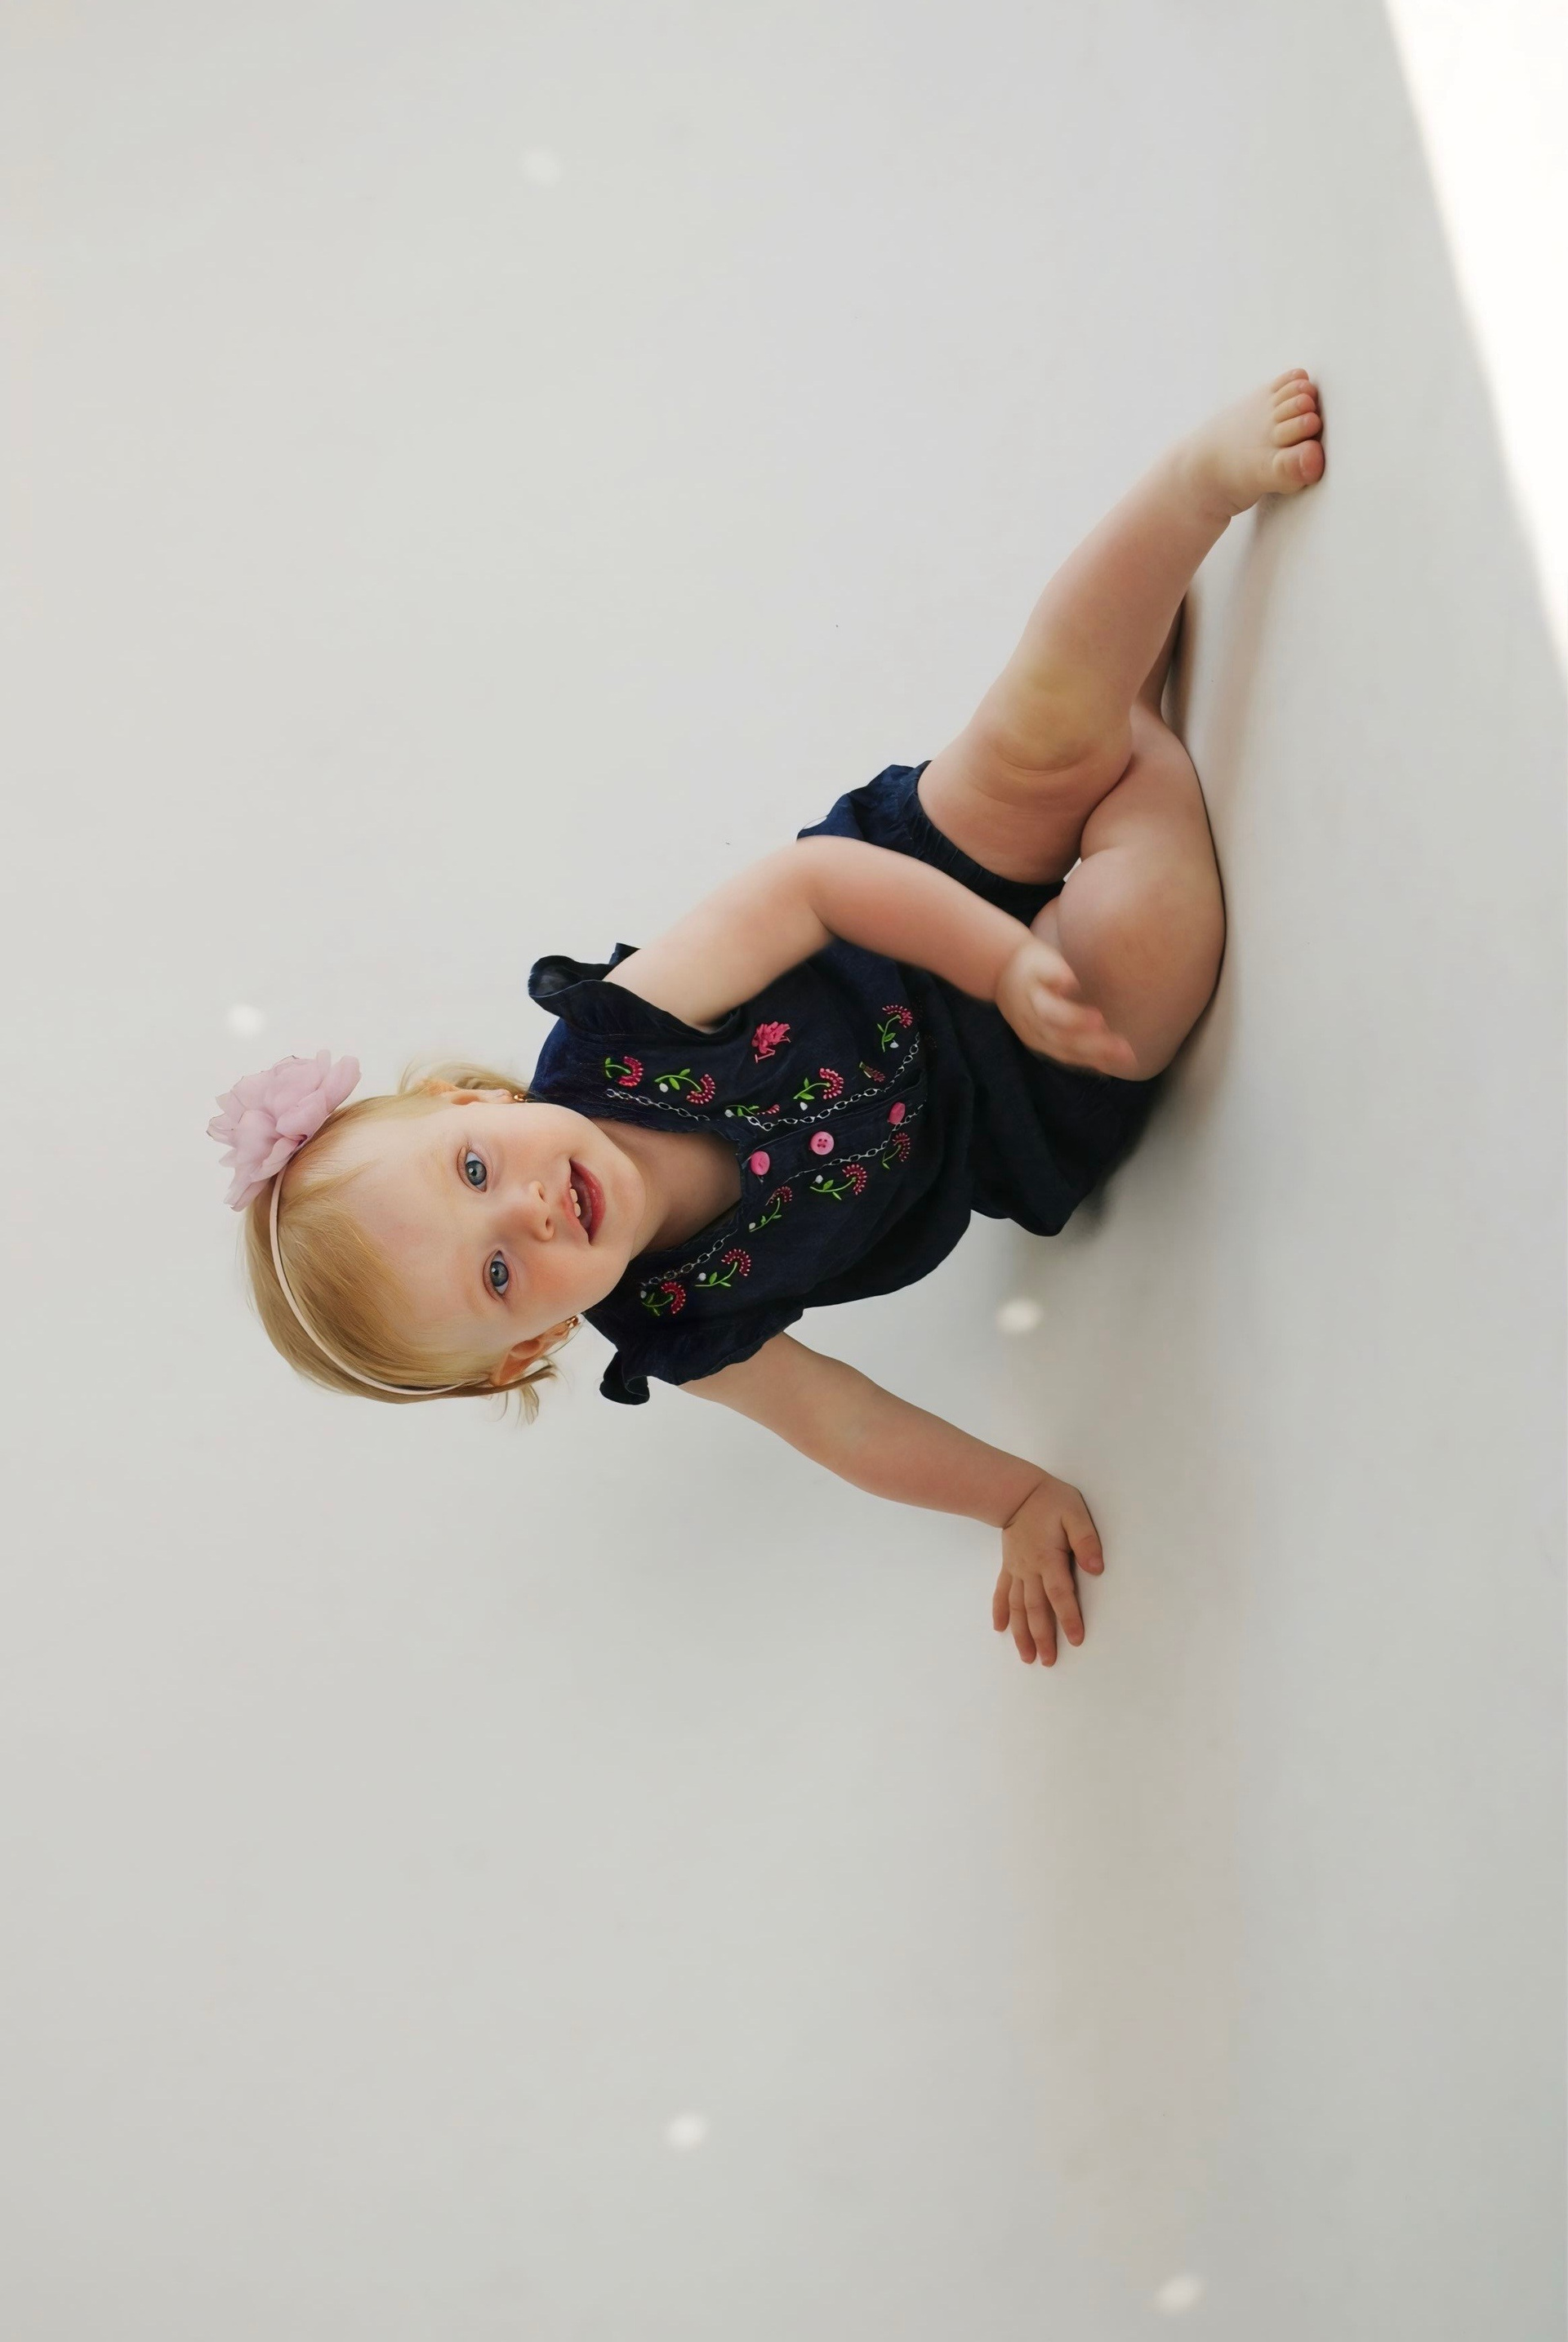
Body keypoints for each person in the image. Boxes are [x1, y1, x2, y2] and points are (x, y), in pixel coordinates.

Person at [210, 373, 1325, 1667]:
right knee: (1143, 961)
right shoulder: (682, 1326)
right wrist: (1013, 1498)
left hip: (919, 895)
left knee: (1034, 734)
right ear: (528, 1349)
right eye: (499, 1273)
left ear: (473, 1105)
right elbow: (845, 1425)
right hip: (1001, 1102)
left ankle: (1190, 493)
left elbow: (812, 889)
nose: (526, 1211)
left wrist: (994, 951)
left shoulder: (616, 1039)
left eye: (472, 1170)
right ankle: (1142, 758)